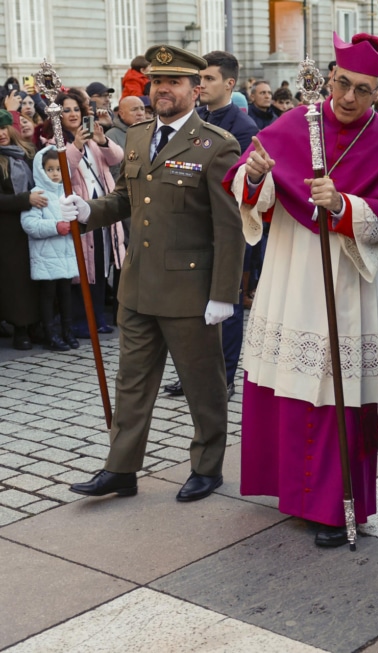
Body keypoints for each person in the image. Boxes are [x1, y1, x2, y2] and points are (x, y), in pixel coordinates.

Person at [224, 33, 378, 547]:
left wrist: (343, 205)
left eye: (364, 90)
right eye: (343, 83)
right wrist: (257, 174)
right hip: (290, 274)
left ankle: (333, 505)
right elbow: (246, 184)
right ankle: (294, 492)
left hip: (346, 279)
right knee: (292, 382)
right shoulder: (295, 123)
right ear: (330, 77)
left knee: (336, 392)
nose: (349, 97)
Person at [62, 44, 244, 502]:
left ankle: (207, 466)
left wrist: (225, 293)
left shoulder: (216, 146)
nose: (164, 90)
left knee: (203, 386)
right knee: (133, 382)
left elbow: (229, 226)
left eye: (174, 82)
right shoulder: (138, 137)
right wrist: (88, 209)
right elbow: (125, 200)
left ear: (195, 89)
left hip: (189, 290)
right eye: (157, 82)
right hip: (138, 285)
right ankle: (121, 469)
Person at [162, 50, 259, 401]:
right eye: (199, 78)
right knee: (190, 305)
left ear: (229, 84)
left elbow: (238, 189)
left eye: (209, 79)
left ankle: (225, 376)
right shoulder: (196, 116)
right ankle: (190, 376)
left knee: (226, 306)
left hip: (228, 229)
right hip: (193, 229)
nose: (200, 85)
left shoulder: (243, 127)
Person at [43, 90, 126, 338]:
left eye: (76, 110)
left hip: (101, 209)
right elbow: (62, 170)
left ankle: (98, 316)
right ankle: (81, 320)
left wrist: (101, 140)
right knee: (82, 268)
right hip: (76, 211)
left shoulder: (92, 139)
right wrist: (76, 145)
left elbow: (117, 158)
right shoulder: (52, 143)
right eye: (66, 110)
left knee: (101, 265)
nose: (72, 114)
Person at [20, 146, 79, 351]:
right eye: (50, 169)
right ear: (41, 170)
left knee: (66, 294)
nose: (55, 174)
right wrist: (55, 226)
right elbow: (29, 224)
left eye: (58, 169)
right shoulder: (37, 194)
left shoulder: (67, 193)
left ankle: (67, 331)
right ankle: (51, 334)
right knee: (47, 296)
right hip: (46, 255)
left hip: (65, 254)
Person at [0, 109, 43, 350]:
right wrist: (25, 199)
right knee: (14, 282)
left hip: (33, 225)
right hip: (7, 231)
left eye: (4, 128)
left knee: (34, 277)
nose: (1, 134)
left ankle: (36, 324)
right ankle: (20, 328)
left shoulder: (28, 153)